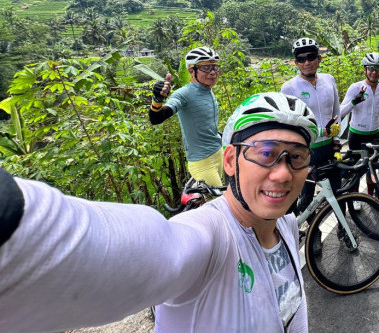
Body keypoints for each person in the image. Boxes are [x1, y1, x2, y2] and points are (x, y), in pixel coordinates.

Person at [0, 92, 316, 332]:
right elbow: (132, 246)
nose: (283, 174)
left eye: (296, 157)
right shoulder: (209, 238)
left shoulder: (286, 225)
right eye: (266, 154)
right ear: (231, 160)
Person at [281, 37, 341, 214]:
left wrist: (336, 140)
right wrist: (322, 131)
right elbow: (291, 123)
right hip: (306, 150)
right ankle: (315, 236)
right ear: (296, 62)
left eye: (311, 57)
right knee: (306, 197)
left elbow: (336, 113)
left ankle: (343, 230)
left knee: (338, 192)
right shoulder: (289, 87)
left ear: (319, 58)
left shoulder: (329, 80)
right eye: (301, 59)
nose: (307, 62)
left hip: (330, 148)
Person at [149, 46, 223, 186]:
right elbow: (156, 118)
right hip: (202, 161)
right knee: (220, 203)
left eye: (215, 67)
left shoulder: (207, 90)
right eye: (206, 67)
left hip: (218, 153)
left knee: (208, 200)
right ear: (191, 70)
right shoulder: (184, 93)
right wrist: (157, 99)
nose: (213, 72)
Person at [339, 52, 379, 207]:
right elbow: (341, 112)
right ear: (365, 69)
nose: (374, 72)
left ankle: (371, 195)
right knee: (356, 169)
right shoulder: (355, 87)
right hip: (356, 135)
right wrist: (355, 100)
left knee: (372, 169)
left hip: (374, 134)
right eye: (371, 68)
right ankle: (355, 197)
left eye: (378, 68)